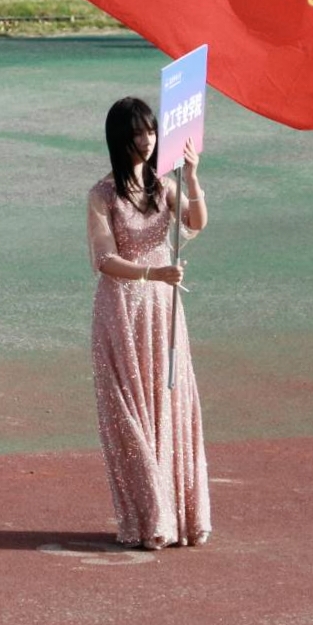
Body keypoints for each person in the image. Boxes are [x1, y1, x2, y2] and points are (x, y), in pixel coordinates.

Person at [87, 97, 210, 550]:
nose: (147, 141)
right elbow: (104, 259)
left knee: (170, 407)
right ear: (119, 139)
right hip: (122, 311)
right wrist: (152, 273)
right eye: (137, 133)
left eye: (151, 131)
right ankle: (148, 517)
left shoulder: (164, 186)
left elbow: (195, 222)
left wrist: (192, 177)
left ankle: (180, 516)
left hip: (164, 311)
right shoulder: (102, 195)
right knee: (130, 414)